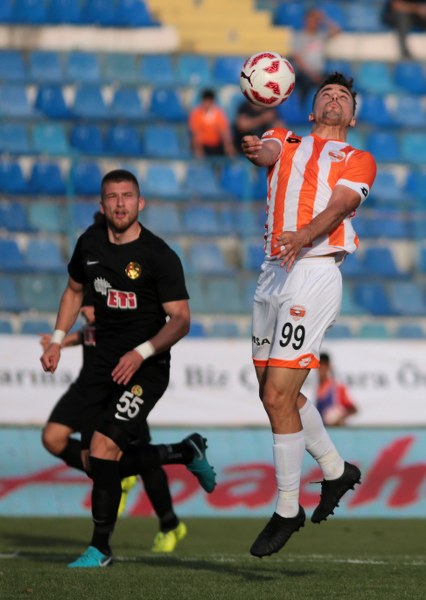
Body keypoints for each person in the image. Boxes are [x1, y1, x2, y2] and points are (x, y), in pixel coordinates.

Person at [40, 169, 216, 568]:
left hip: (145, 369)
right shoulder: (89, 244)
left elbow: (181, 320)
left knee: (103, 452)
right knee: (95, 462)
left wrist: (141, 352)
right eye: (112, 197)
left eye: (127, 196)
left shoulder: (159, 255)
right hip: (101, 367)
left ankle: (100, 549)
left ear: (141, 203)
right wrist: (56, 339)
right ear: (103, 205)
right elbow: (73, 290)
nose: (120, 203)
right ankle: (182, 451)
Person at [241, 72, 377, 558]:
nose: (335, 100)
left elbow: (340, 206)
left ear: (353, 115)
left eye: (344, 97)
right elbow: (266, 155)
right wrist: (253, 147)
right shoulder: (285, 137)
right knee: (272, 393)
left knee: (280, 393)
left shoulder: (358, 159)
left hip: (314, 271)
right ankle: (338, 472)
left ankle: (286, 508)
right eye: (327, 95)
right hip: (273, 271)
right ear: (312, 109)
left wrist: (304, 236)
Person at [40, 298, 187, 553]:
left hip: (119, 386)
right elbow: (87, 334)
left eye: (88, 306)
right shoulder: (91, 303)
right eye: (83, 306)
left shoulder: (122, 316)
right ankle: (118, 471)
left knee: (143, 459)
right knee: (54, 438)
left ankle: (170, 524)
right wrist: (61, 342)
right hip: (88, 388)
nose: (84, 311)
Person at [292, 8, 341, 103]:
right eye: (311, 19)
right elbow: (298, 59)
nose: (313, 22)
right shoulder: (298, 36)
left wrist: (324, 19)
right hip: (304, 74)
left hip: (319, 73)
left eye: (315, 20)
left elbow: (337, 30)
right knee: (305, 85)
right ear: (305, 20)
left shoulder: (320, 35)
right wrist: (311, 74)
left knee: (337, 82)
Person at [188, 88, 236, 157]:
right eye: (205, 101)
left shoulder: (218, 113)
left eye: (209, 101)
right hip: (203, 145)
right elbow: (195, 133)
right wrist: (198, 149)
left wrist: (228, 146)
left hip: (216, 145)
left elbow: (224, 131)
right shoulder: (196, 114)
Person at [316, 352, 358, 426]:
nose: (321, 369)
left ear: (328, 367)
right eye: (319, 366)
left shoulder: (337, 388)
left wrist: (340, 417)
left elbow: (353, 409)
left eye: (323, 366)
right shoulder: (318, 388)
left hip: (335, 430)